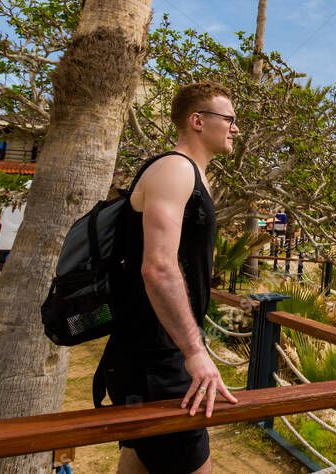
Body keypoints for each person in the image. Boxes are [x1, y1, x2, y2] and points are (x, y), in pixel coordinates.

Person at [95, 82, 240, 474]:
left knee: (141, 459)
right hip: (159, 360)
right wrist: (195, 353)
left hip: (151, 355)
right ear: (197, 121)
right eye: (228, 119)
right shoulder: (174, 170)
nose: (235, 128)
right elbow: (158, 267)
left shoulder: (193, 176)